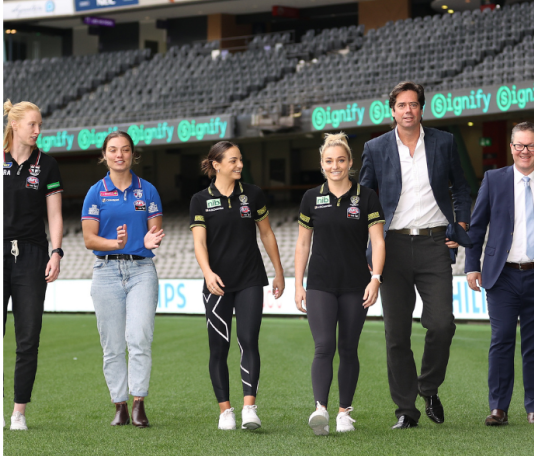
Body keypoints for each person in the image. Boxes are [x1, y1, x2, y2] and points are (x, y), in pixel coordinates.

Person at [359, 81, 472, 429]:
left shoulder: (445, 141)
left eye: (414, 104)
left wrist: (461, 225)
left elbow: (463, 187)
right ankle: (406, 409)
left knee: (442, 324)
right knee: (397, 334)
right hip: (391, 248)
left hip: (434, 244)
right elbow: (364, 198)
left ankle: (429, 386)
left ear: (422, 108)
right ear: (391, 110)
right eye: (402, 105)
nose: (408, 110)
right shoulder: (375, 148)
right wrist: (370, 244)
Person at [466, 122, 534, 426]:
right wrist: (472, 264)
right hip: (503, 275)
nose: (525, 151)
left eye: (531, 145)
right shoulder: (493, 179)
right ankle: (498, 407)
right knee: (501, 339)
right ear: (511, 147)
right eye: (519, 145)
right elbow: (477, 225)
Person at [189, 141, 286, 431]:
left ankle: (249, 408)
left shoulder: (253, 194)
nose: (239, 165)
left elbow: (267, 234)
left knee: (248, 340)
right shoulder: (200, 199)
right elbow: (199, 242)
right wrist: (207, 273)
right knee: (218, 348)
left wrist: (279, 272)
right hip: (216, 284)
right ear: (216, 164)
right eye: (233, 161)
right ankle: (225, 411)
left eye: (240, 159)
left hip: (250, 280)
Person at [294, 133, 385, 436]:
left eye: (341, 160)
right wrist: (298, 284)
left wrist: (376, 278)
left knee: (348, 348)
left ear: (350, 163)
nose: (335, 166)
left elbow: (377, 240)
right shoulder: (311, 197)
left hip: (356, 284)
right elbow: (302, 244)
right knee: (324, 346)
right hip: (320, 283)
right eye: (329, 161)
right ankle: (320, 409)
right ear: (322, 164)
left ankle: (344, 412)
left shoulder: (367, 197)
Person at [81, 131, 166, 428]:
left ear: (133, 155)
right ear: (104, 155)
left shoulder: (148, 190)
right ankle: (119, 405)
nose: (120, 155)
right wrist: (115, 244)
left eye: (125, 150)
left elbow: (155, 230)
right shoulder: (95, 192)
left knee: (139, 337)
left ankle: (139, 402)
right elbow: (89, 239)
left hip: (142, 271)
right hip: (105, 273)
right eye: (113, 150)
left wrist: (150, 238)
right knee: (113, 345)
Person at [3, 101, 64, 431]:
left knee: (28, 338)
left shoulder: (48, 165)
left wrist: (56, 252)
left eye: (40, 124)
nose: (38, 130)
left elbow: (54, 215)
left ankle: (18, 413)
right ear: (14, 126)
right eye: (32, 124)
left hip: (31, 255)